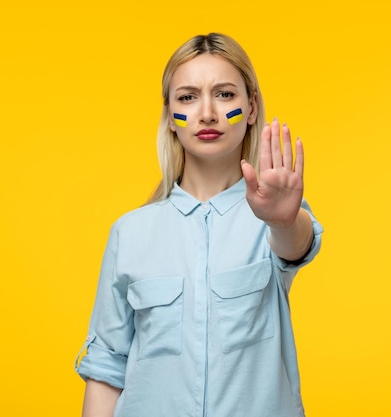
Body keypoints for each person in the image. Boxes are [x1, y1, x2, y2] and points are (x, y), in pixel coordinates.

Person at [75, 32, 323, 417]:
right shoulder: (130, 232)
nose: (206, 113)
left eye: (225, 94)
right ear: (170, 116)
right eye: (187, 98)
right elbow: (107, 366)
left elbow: (296, 244)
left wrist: (284, 220)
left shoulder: (273, 218)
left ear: (252, 107)